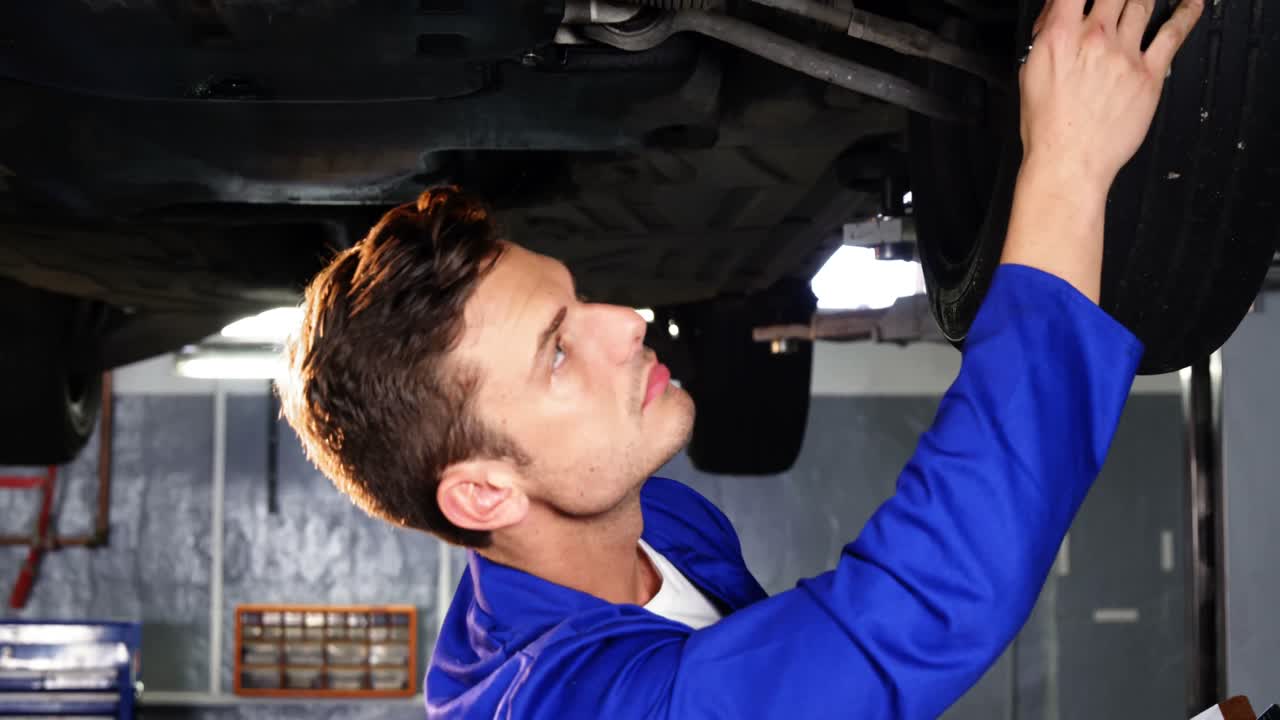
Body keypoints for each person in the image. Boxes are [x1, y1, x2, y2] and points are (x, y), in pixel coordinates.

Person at [277, 0, 1203, 715]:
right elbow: (914, 612)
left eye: (577, 300)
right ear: (483, 494)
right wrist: (1070, 166)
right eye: (557, 352)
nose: (627, 323)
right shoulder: (584, 708)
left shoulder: (657, 527)